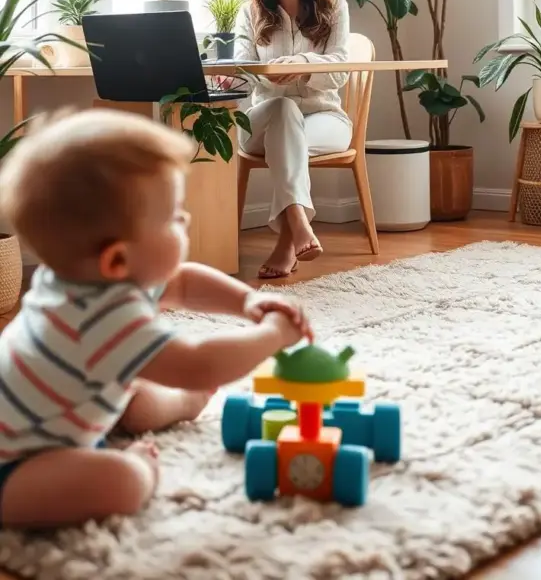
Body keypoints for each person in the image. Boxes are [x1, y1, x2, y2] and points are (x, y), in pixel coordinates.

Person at [0, 109, 312, 529]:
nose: (185, 220)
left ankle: (181, 405)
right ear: (117, 259)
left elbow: (181, 283)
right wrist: (272, 334)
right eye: (172, 217)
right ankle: (136, 468)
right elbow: (198, 364)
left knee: (135, 390)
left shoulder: (81, 275)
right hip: (17, 464)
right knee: (121, 482)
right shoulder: (102, 319)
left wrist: (247, 302)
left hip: (63, 412)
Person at [236, 0, 353, 281]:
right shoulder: (251, 10)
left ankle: (289, 238)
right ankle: (299, 223)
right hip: (261, 119)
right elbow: (241, 71)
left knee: (292, 137)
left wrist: (303, 65)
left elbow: (341, 69)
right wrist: (233, 75)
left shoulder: (333, 7)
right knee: (283, 110)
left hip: (325, 118)